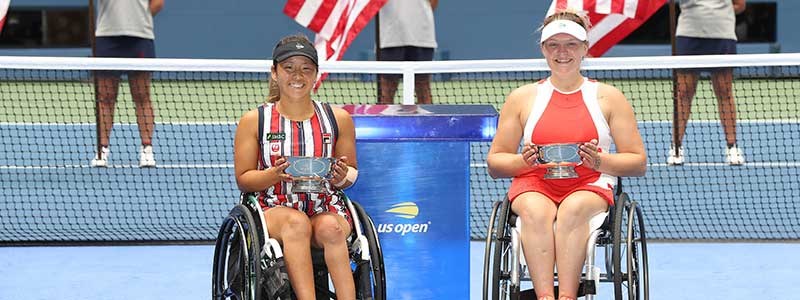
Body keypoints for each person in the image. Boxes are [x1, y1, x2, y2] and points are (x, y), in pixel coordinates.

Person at [486, 10, 647, 300]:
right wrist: (522, 163)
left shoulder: (609, 97)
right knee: (534, 213)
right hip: (534, 184)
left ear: (585, 48)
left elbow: (637, 161)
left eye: (571, 44)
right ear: (543, 50)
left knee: (572, 211)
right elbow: (496, 163)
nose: (562, 52)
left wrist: (600, 161)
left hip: (590, 184)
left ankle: (568, 296)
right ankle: (546, 296)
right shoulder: (521, 98)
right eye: (554, 45)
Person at [233, 33, 359, 300]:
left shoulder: (339, 119)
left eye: (306, 69)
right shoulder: (254, 120)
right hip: (272, 207)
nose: (297, 76)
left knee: (331, 229)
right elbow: (244, 179)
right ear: (275, 73)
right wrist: (271, 175)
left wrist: (340, 176)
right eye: (288, 68)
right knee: (297, 223)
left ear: (316, 75)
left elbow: (352, 175)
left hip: (324, 205)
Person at [670, 0, 747, 165]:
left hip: (722, 35)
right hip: (688, 34)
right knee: (683, 93)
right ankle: (676, 148)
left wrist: (715, 13)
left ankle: (732, 147)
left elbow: (740, 5)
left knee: (724, 92)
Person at [91, 0, 164, 167]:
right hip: (106, 36)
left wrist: (138, 19)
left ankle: (147, 150)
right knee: (105, 97)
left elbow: (158, 3)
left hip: (140, 37)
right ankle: (102, 151)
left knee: (142, 96)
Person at [377, 0, 438, 104]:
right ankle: (385, 121)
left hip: (421, 36)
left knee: (423, 87)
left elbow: (434, 2)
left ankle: (426, 120)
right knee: (387, 91)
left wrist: (420, 17)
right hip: (390, 36)